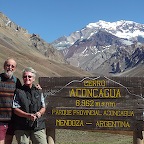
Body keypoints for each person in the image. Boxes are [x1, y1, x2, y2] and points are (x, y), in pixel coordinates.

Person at [12, 67, 47, 144]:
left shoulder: (39, 91)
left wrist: (39, 113)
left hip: (37, 125)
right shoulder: (18, 92)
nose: (27, 78)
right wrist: (27, 115)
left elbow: (43, 107)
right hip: (22, 126)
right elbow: (15, 109)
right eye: (25, 76)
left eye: (29, 76)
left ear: (33, 79)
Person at [0, 58, 22, 144]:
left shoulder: (16, 81)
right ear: (4, 66)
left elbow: (24, 94)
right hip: (0, 119)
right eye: (8, 65)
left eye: (12, 66)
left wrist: (36, 88)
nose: (10, 68)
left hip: (12, 119)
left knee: (8, 142)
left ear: (15, 69)